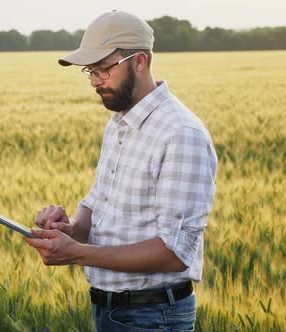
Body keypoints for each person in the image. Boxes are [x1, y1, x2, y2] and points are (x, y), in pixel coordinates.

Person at [25, 10, 217, 332]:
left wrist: (77, 253)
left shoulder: (180, 134)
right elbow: (97, 204)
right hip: (110, 310)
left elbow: (173, 254)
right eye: (90, 71)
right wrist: (69, 229)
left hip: (152, 316)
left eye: (104, 69)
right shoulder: (119, 124)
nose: (95, 81)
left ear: (139, 61)